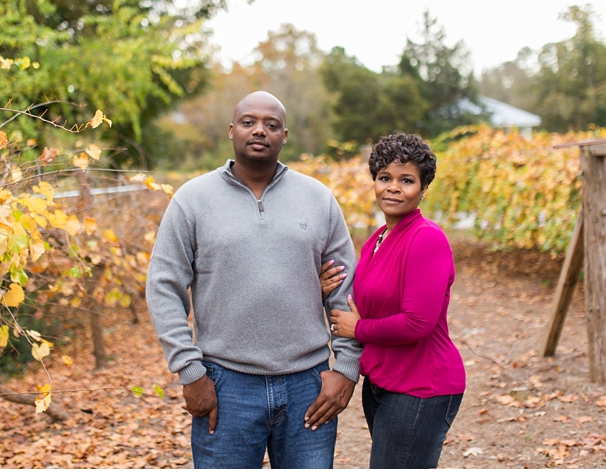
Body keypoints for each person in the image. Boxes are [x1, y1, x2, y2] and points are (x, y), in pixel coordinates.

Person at [146, 91, 362, 469]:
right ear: (232, 130)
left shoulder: (318, 198)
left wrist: (345, 370)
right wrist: (189, 371)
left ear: (285, 135)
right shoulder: (192, 200)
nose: (259, 130)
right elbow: (164, 285)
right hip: (226, 385)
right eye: (249, 122)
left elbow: (347, 288)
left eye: (271, 124)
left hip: (307, 385)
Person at [327, 131, 466, 469]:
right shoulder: (378, 238)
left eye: (407, 180)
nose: (393, 187)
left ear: (423, 189)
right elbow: (364, 298)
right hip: (383, 383)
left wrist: (358, 329)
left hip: (421, 386)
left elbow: (417, 323)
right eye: (384, 177)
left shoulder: (426, 239)